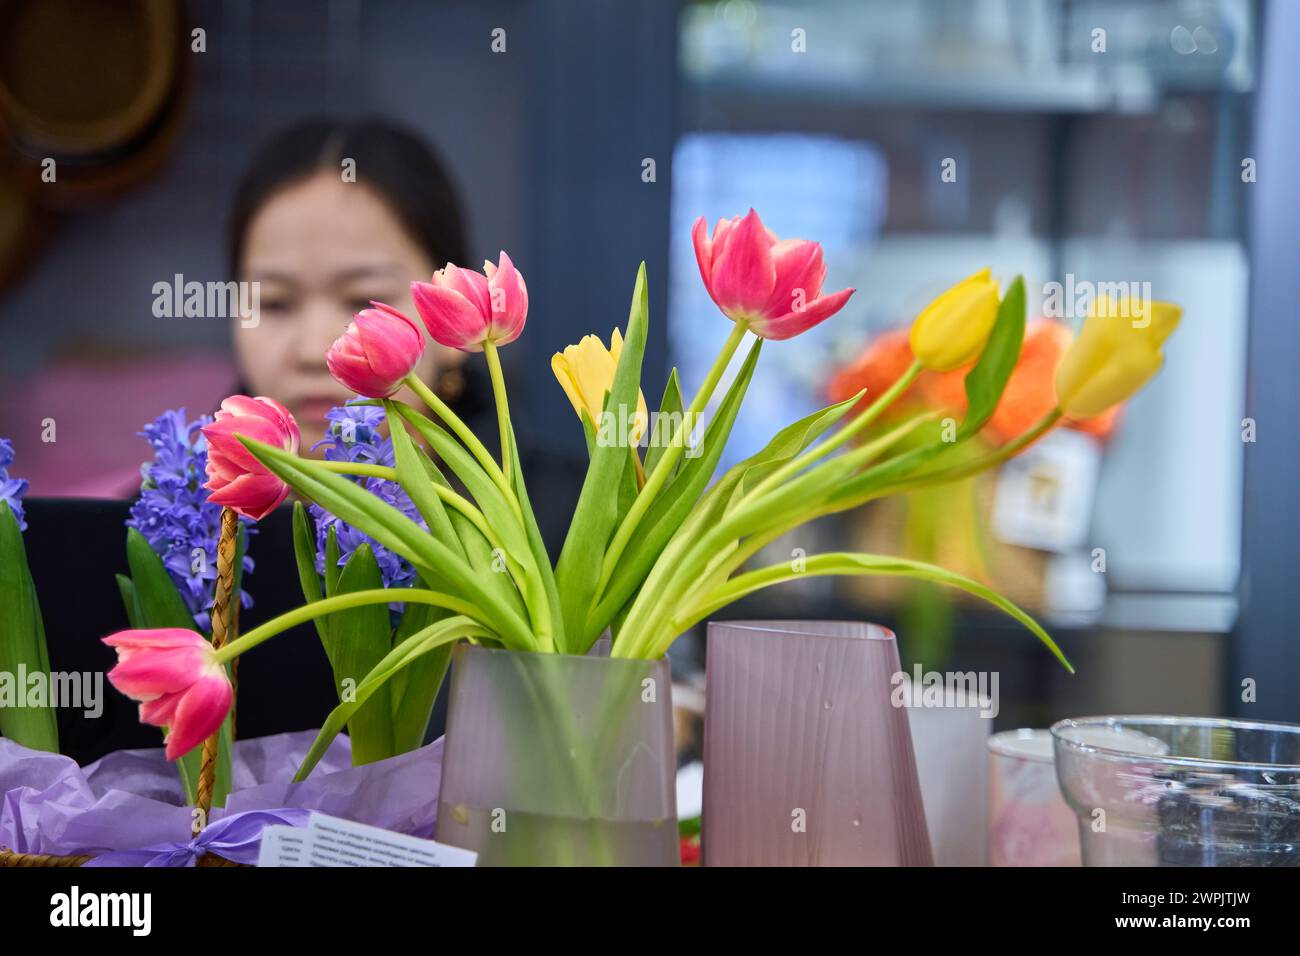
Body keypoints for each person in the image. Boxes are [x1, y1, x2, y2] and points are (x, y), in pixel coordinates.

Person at [228, 117, 486, 452]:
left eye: (365, 301)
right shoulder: (174, 499)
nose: (312, 352)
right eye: (275, 303)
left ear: (454, 311)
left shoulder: (560, 503)